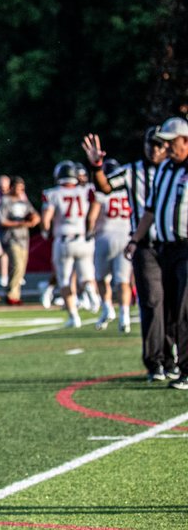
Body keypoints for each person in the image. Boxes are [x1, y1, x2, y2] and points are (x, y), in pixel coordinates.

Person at [83, 127, 173, 380]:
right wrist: (97, 165)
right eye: (151, 145)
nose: (155, 150)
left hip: (176, 245)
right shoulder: (134, 172)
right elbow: (105, 187)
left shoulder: (179, 172)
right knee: (152, 303)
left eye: (160, 145)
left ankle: (173, 357)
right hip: (145, 245)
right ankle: (155, 362)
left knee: (177, 305)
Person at [125, 117, 188, 389]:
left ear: (185, 141)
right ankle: (172, 363)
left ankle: (186, 369)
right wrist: (135, 240)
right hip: (165, 248)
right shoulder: (164, 170)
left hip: (187, 247)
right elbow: (150, 211)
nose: (166, 146)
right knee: (169, 310)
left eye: (172, 142)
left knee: (185, 309)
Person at [41, 161, 96, 328]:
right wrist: (90, 228)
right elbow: (94, 210)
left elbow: (46, 219)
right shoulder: (87, 190)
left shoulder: (53, 194)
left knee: (64, 280)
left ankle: (74, 316)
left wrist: (45, 232)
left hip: (64, 239)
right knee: (87, 276)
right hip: (84, 238)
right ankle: (91, 293)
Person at [88, 159, 134, 332]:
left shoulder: (102, 192)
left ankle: (107, 308)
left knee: (101, 278)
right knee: (123, 281)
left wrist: (88, 231)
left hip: (105, 236)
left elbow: (92, 216)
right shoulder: (129, 192)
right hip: (126, 236)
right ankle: (125, 316)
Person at [0, 177, 39, 304]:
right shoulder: (5, 201)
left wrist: (34, 219)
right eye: (18, 187)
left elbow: (35, 215)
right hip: (11, 238)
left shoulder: (23, 201)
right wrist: (20, 224)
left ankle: (16, 294)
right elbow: (2, 221)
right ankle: (11, 294)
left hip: (23, 238)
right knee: (17, 265)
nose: (20, 190)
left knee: (22, 267)